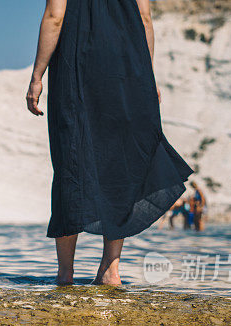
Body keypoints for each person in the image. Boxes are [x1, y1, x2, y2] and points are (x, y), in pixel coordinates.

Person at [27, 0, 193, 286]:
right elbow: (145, 18)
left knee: (71, 164)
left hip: (75, 69)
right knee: (120, 164)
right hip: (127, 71)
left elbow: (55, 17)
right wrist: (147, 75)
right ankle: (110, 269)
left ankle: (65, 273)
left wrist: (37, 75)